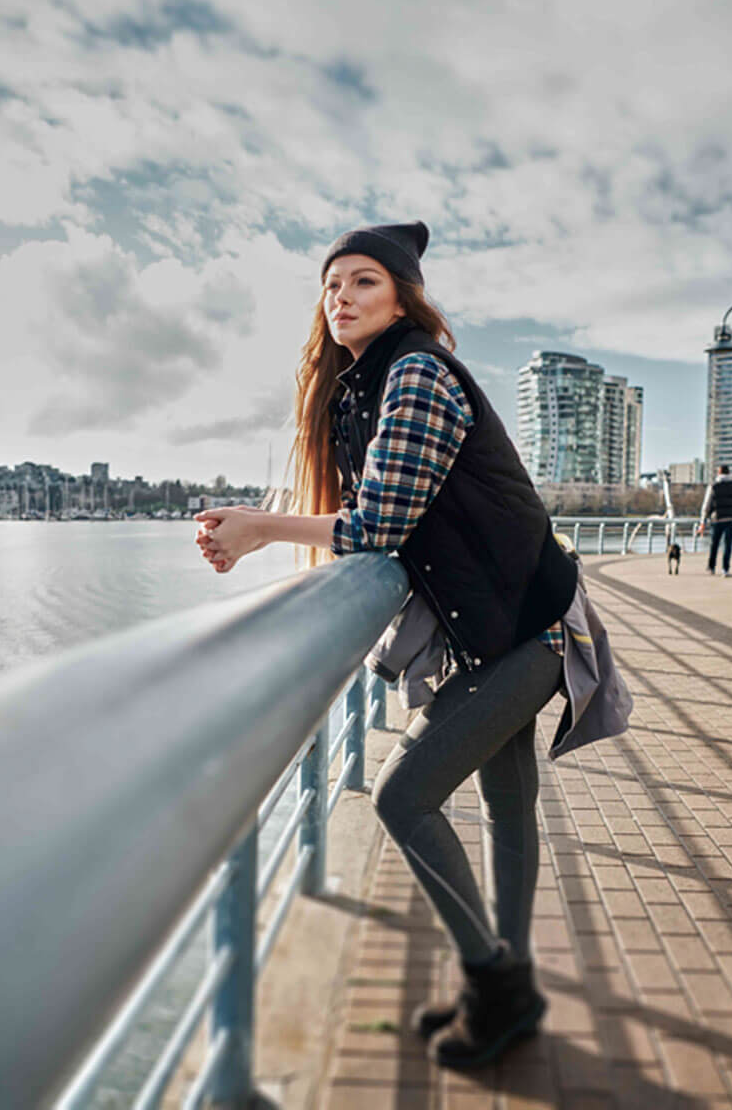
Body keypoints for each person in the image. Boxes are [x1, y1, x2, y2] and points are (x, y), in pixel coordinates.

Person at [193, 221, 629, 1070]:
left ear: (402, 295)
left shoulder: (419, 372)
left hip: (531, 629)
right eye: (331, 286)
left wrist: (255, 529)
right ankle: (511, 985)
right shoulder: (362, 389)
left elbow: (380, 523)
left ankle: (494, 983)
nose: (341, 298)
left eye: (362, 282)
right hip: (492, 630)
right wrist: (254, 524)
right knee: (506, 804)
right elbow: (385, 520)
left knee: (401, 797)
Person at [698, 464, 732, 575]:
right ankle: (725, 569)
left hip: (717, 518)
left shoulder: (714, 486)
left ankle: (711, 567)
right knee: (728, 545)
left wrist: (702, 521)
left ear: (719, 473)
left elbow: (706, 505)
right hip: (730, 518)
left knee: (714, 544)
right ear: (729, 473)